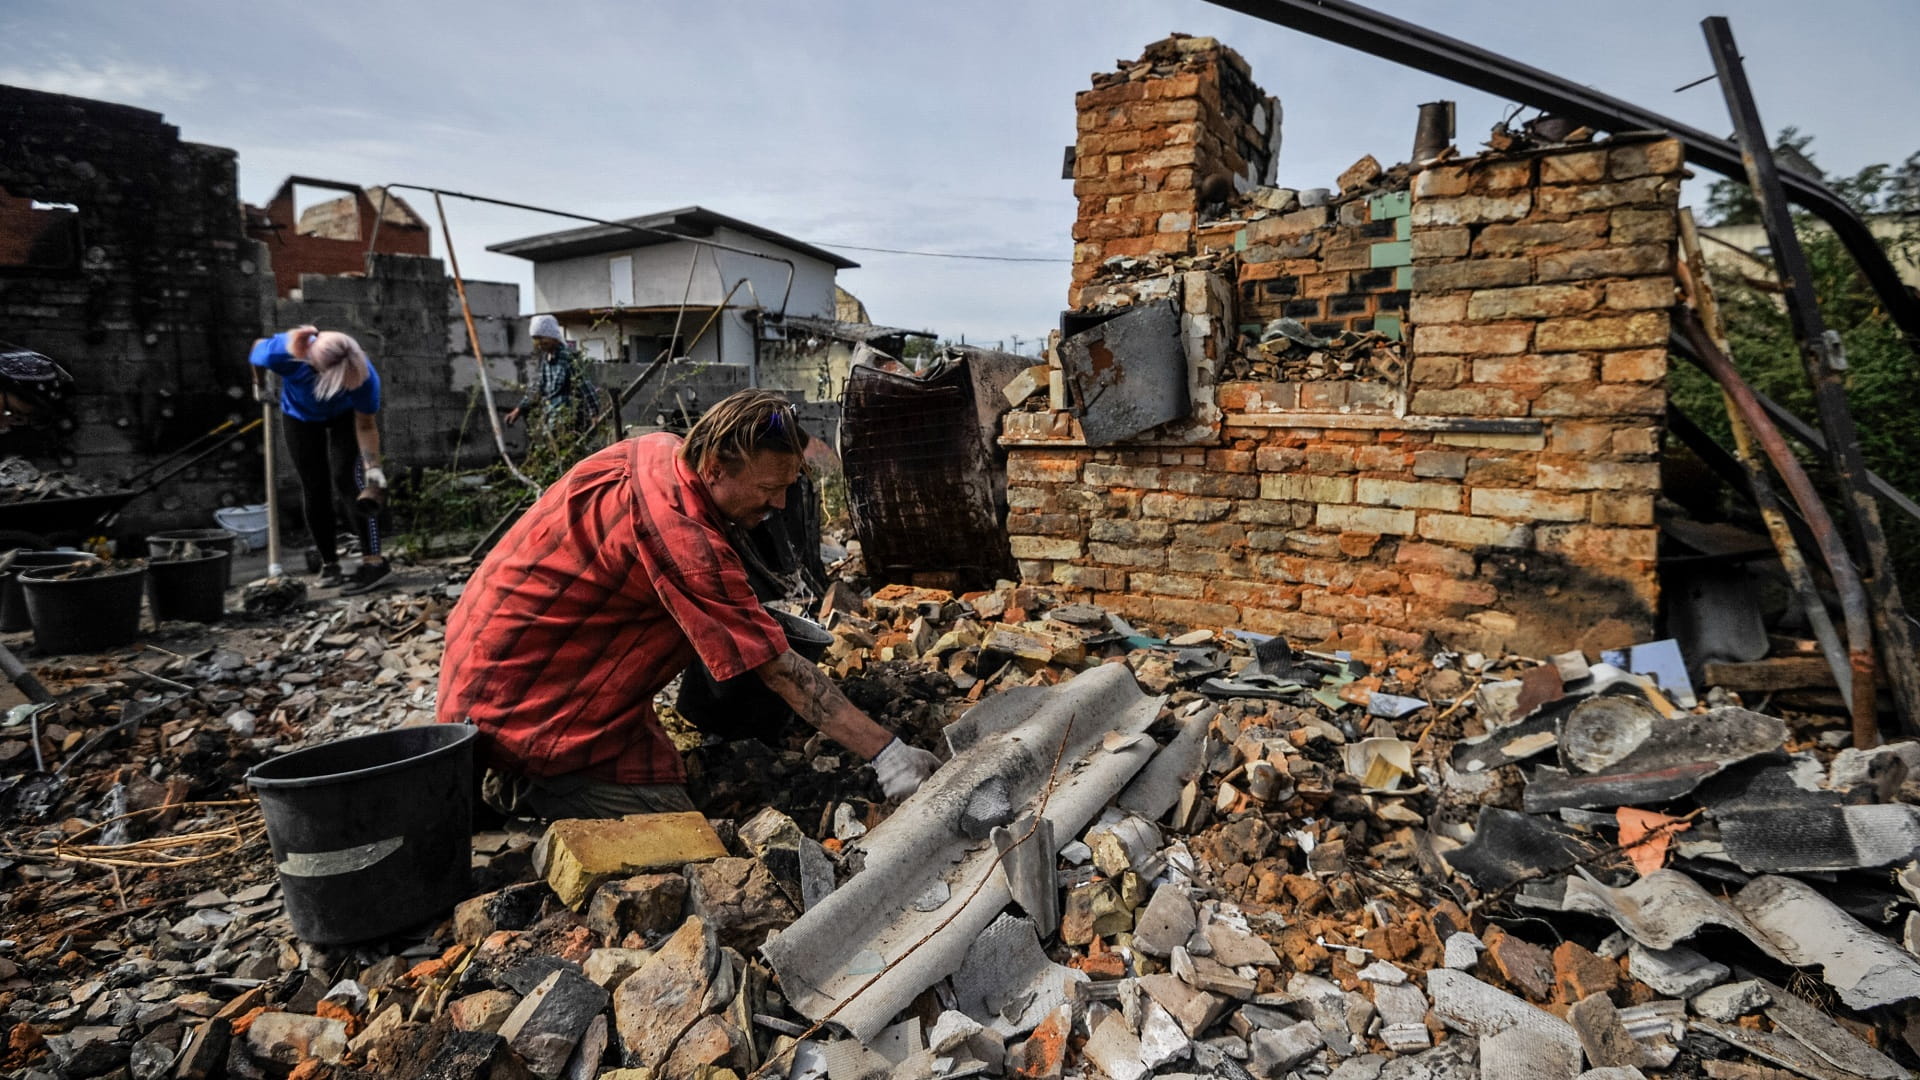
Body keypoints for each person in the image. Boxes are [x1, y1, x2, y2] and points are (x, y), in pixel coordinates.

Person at [438, 388, 940, 820]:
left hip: (488, 658)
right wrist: (887, 752)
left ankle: (503, 765)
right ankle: (515, 782)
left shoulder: (662, 451)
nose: (780, 505)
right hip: (521, 707)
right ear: (717, 467)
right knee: (674, 827)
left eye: (788, 488)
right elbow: (781, 672)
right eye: (770, 489)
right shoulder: (684, 539)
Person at [249, 325, 390, 594]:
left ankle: (374, 562)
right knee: (314, 486)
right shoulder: (283, 353)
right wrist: (259, 384)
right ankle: (330, 563)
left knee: (348, 478)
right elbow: (256, 350)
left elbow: (366, 426)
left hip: (343, 418)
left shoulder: (364, 377)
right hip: (299, 416)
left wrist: (374, 467)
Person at [504, 314, 603, 434]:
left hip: (569, 423)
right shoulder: (546, 359)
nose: (540, 343)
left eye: (542, 339)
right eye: (536, 339)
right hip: (552, 422)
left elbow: (585, 386)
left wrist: (595, 414)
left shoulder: (567, 357)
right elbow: (537, 388)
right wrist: (518, 410)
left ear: (553, 336)